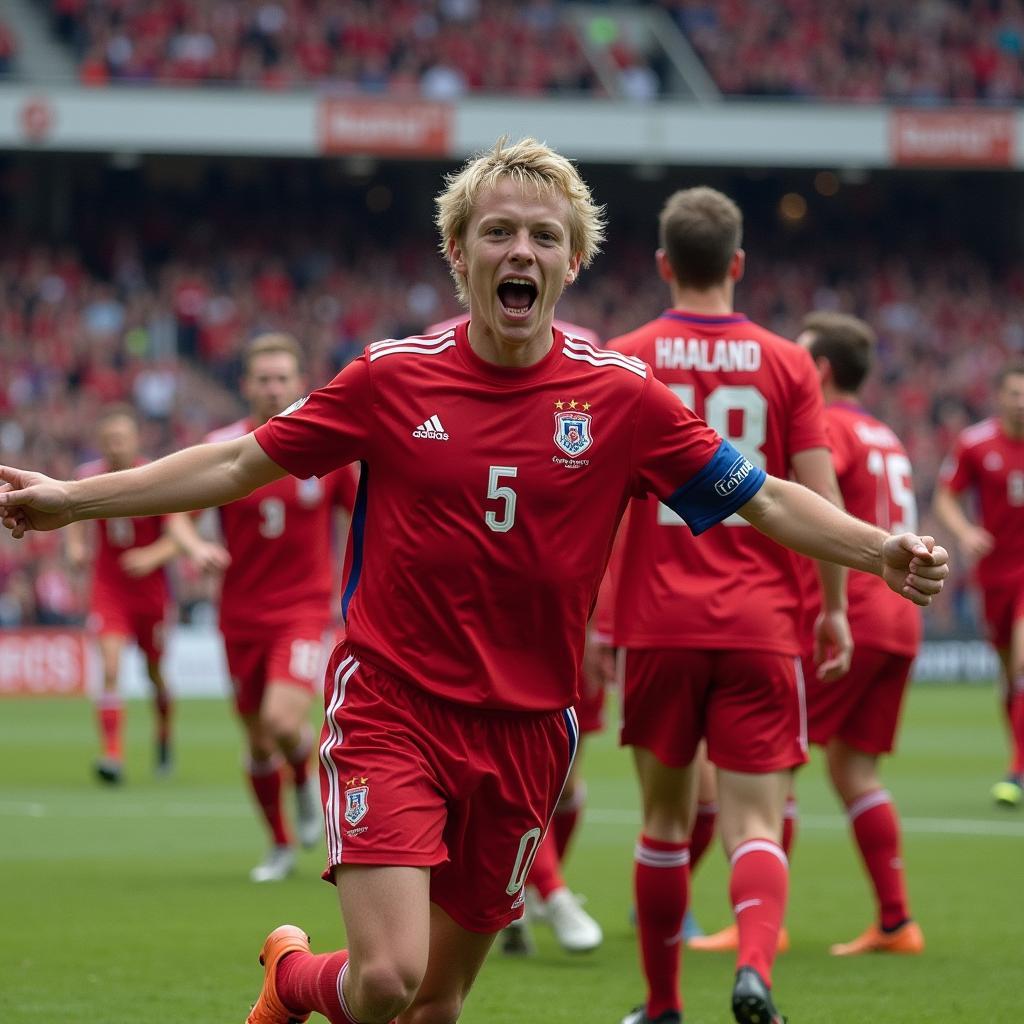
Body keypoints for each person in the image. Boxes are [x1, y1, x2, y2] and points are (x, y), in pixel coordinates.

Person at [0, 138, 949, 1024]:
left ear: (573, 263)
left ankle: (299, 979)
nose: (520, 250)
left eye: (544, 236)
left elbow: (767, 498)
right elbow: (239, 464)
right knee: (385, 979)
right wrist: (74, 500)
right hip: (393, 702)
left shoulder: (620, 396)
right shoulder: (390, 378)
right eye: (497, 231)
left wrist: (879, 550)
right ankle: (294, 977)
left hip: (530, 728)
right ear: (459, 254)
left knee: (436, 1006)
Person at [606, 186, 855, 1024]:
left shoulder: (626, 356)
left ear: (664, 265)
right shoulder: (789, 362)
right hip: (761, 623)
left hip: (656, 622)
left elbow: (598, 505)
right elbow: (814, 496)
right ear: (739, 264)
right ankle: (755, 971)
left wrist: (595, 622)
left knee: (664, 824)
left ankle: (663, 1004)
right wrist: (834, 609)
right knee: (756, 821)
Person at [792, 312, 925, 954]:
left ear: (818, 369)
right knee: (854, 768)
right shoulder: (884, 431)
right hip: (902, 616)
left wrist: (829, 606)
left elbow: (820, 507)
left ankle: (762, 923)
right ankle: (897, 921)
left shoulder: (828, 426)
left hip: (859, 608)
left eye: (799, 357)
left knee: (771, 762)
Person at [203, 332, 357, 883]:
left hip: (304, 610)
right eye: (262, 378)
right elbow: (178, 507)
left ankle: (304, 784)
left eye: (282, 378)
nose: (272, 388)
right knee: (256, 739)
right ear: (247, 385)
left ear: (300, 383)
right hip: (239, 614)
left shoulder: (327, 450)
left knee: (279, 719)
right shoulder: (223, 445)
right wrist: (196, 545)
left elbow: (364, 521)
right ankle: (280, 842)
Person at [65, 404, 225, 784]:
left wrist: (151, 556)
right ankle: (112, 754)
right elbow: (71, 514)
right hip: (109, 589)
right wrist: (75, 548)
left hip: (151, 593)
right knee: (110, 668)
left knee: (155, 675)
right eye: (108, 440)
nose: (114, 446)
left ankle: (164, 735)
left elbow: (178, 532)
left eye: (121, 438)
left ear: (135, 440)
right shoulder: (88, 477)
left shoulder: (154, 477)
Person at [934, 361, 1024, 807]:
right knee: (1009, 678)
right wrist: (966, 531)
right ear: (1000, 397)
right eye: (1015, 394)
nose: (1022, 403)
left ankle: (1018, 771)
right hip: (994, 575)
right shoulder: (975, 444)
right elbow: (945, 494)